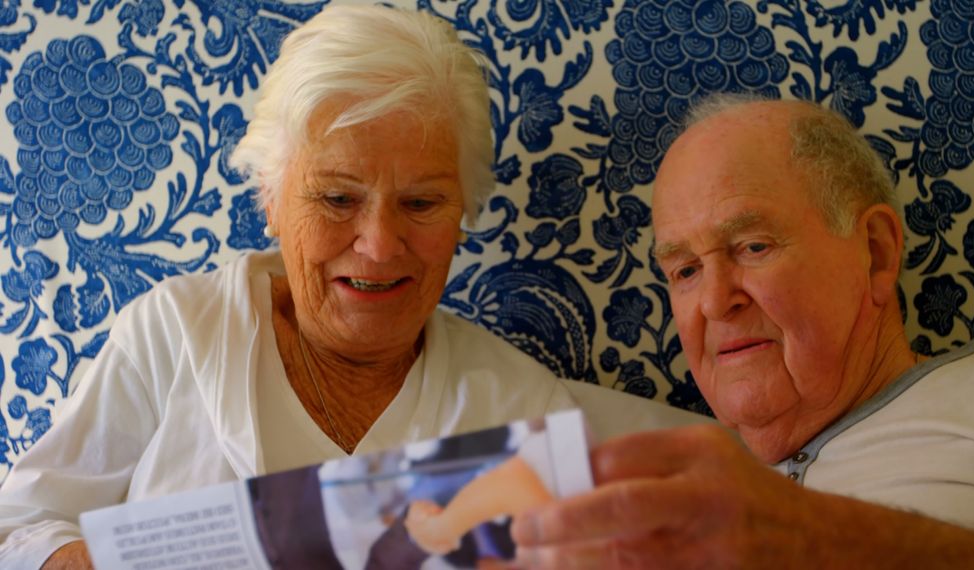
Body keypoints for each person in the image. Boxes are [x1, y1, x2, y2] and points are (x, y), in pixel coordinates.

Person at [0, 6, 705, 568]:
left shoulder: (517, 408)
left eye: (422, 204)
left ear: (463, 213)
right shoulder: (177, 332)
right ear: (271, 200)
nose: (378, 244)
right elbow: (21, 521)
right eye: (338, 199)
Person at [509, 95, 974, 568]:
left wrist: (821, 538)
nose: (714, 301)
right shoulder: (654, 480)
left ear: (875, 255)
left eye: (752, 247)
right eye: (684, 270)